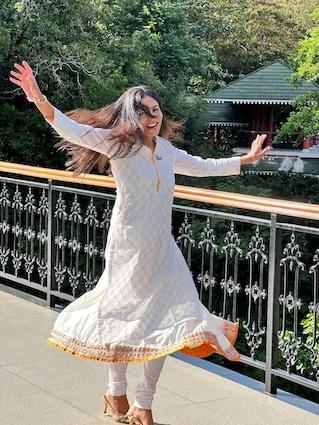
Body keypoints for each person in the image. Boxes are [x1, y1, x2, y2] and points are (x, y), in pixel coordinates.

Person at [9, 60, 270, 425]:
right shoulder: (119, 145)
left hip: (162, 248)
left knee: (166, 320)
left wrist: (245, 159)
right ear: (131, 116)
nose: (152, 117)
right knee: (122, 318)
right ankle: (116, 391)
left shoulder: (165, 149)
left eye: (156, 110)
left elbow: (202, 165)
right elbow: (70, 128)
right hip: (128, 248)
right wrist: (38, 97)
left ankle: (143, 402)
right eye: (144, 112)